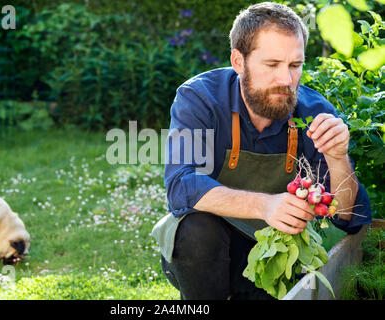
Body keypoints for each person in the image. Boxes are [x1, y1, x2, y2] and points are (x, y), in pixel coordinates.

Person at [151, 2, 372, 300]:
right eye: (272, 65)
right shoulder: (200, 99)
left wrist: (337, 158)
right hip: (205, 251)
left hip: (275, 252)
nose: (286, 80)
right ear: (238, 61)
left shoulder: (315, 111)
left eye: (296, 65)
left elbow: (349, 217)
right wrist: (265, 206)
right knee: (197, 228)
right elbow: (181, 184)